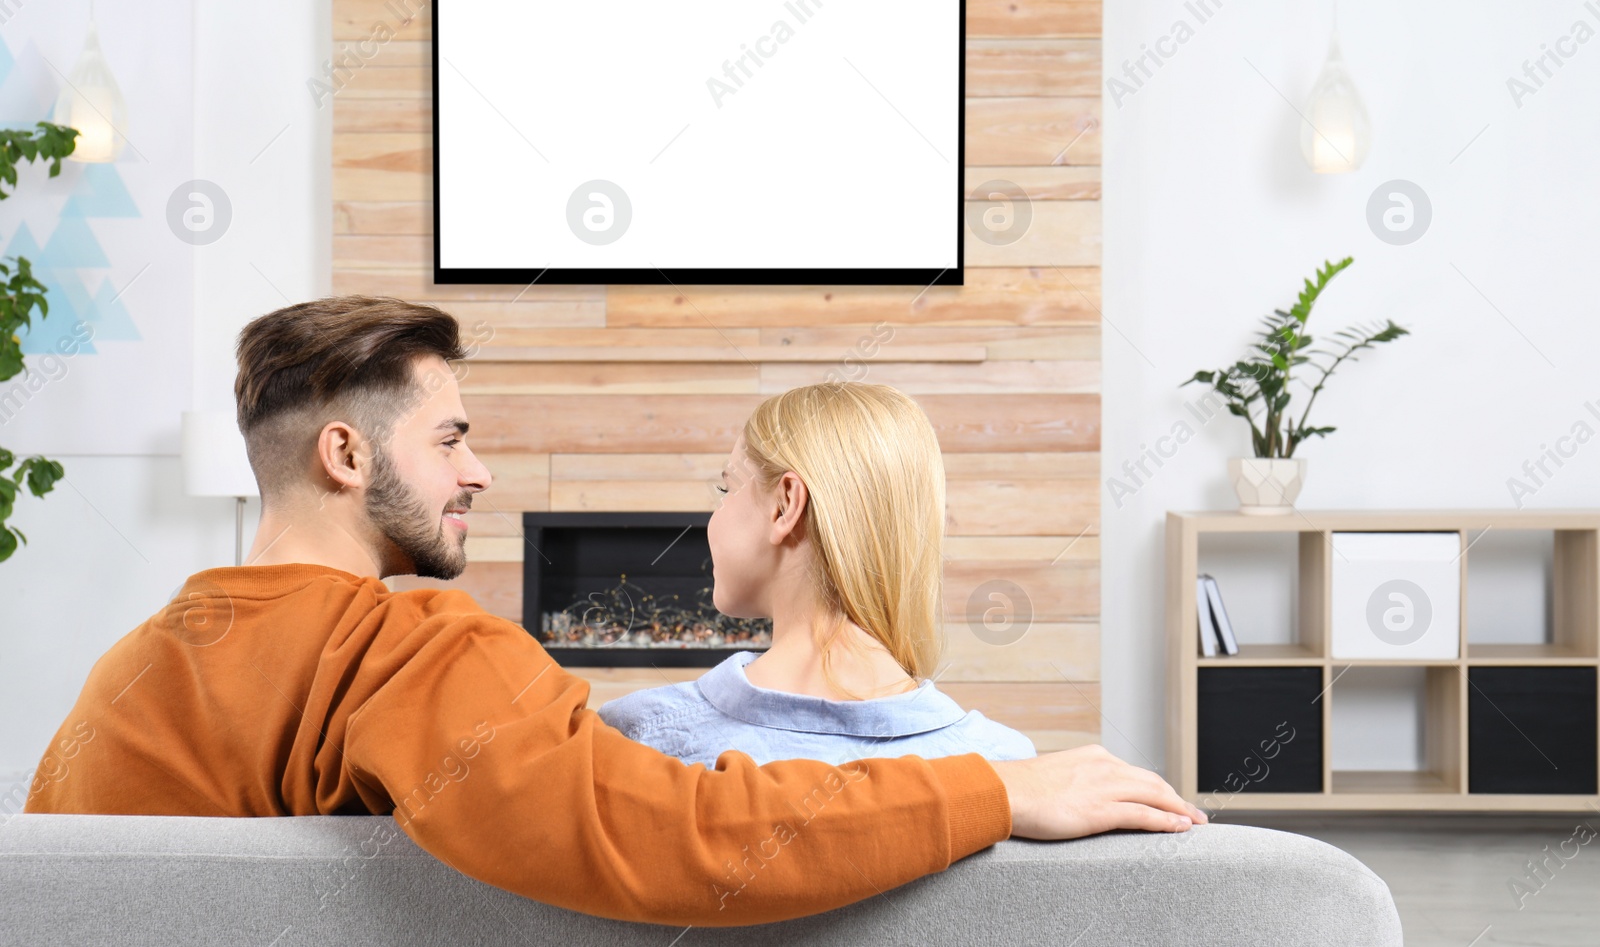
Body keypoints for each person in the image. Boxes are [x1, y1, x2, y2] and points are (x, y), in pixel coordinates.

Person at [24, 296, 1205, 928]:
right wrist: (997, 787)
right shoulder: (410, 651)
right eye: (450, 438)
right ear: (344, 454)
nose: (478, 471)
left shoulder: (120, 682)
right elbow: (671, 833)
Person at [600, 382, 1036, 769]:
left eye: (726, 489)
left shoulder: (639, 741)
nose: (714, 517)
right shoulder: (1006, 766)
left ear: (785, 504)